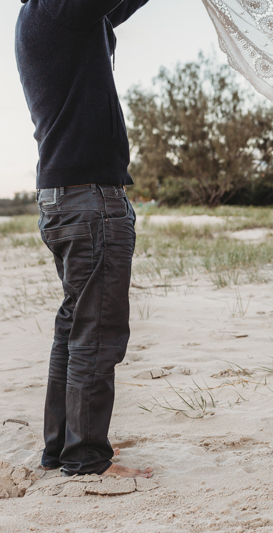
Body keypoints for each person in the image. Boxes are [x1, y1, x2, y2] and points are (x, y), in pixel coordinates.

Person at [16, 0, 153, 477]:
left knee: (74, 330)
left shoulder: (50, 15)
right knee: (95, 334)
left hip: (67, 198)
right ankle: (87, 458)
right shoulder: (56, 9)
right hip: (89, 201)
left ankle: (62, 450)